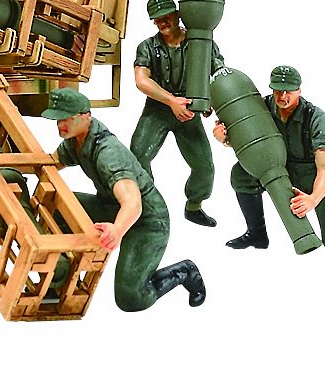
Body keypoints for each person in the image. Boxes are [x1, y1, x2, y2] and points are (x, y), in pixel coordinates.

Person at [44, 88, 206, 311]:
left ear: (86, 116)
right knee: (56, 206)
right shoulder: (76, 140)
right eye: (57, 119)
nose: (60, 125)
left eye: (66, 118)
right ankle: (59, 280)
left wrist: (117, 230)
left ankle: (185, 271)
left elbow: (133, 202)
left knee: (131, 298)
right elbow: (52, 162)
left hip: (146, 221)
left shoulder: (109, 153)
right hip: (110, 207)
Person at [213, 65, 325, 250]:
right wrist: (225, 139)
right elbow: (252, 143)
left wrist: (312, 199)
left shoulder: (315, 118)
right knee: (241, 174)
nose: (282, 97)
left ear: (299, 90)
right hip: (283, 168)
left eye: (288, 91)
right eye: (278, 91)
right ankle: (257, 234)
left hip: (315, 175)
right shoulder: (262, 108)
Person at [130, 0, 223, 227]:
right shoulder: (147, 47)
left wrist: (209, 99)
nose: (163, 22)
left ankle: (194, 206)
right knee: (138, 157)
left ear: (178, 15)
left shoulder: (201, 43)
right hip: (158, 109)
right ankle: (146, 206)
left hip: (189, 111)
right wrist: (171, 101)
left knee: (204, 167)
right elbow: (141, 80)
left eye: (167, 16)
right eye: (157, 19)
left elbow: (219, 74)